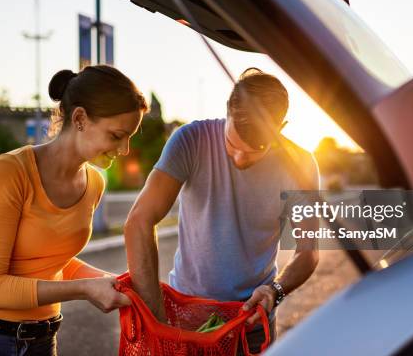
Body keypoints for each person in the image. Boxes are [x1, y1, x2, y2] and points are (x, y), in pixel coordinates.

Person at [0, 65, 148, 356]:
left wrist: (115, 283)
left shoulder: (94, 183)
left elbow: (51, 261)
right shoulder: (8, 173)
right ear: (79, 118)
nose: (125, 149)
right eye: (117, 135)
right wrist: (86, 289)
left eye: (129, 136)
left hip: (40, 340)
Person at [124, 68, 320, 354]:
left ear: (281, 126)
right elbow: (139, 221)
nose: (240, 158)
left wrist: (275, 291)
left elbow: (308, 251)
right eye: (232, 145)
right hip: (185, 320)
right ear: (227, 109)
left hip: (249, 324)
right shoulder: (190, 140)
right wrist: (157, 319)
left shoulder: (301, 165)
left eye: (255, 151)